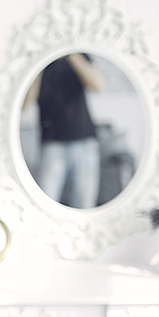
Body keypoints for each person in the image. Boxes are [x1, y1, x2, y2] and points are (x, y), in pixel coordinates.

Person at [23, 53, 103, 208]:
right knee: (44, 203)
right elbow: (24, 104)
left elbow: (98, 85)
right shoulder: (39, 65)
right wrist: (39, 63)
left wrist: (70, 53)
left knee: (84, 205)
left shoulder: (78, 56)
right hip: (51, 145)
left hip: (84, 142)